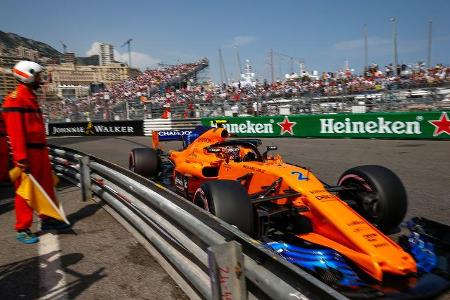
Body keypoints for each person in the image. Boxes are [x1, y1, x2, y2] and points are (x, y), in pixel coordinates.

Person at [2, 61, 70, 244]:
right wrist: (21, 159)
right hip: (27, 155)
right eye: (38, 75)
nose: (41, 79)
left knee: (46, 187)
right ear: (28, 75)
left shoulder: (30, 97)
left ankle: (47, 219)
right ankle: (22, 228)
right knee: (25, 191)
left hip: (39, 153)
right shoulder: (15, 99)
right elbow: (16, 133)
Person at [0, 109, 9, 182]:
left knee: (4, 158)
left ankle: (3, 177)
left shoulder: (2, 114)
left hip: (3, 138)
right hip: (2, 138)